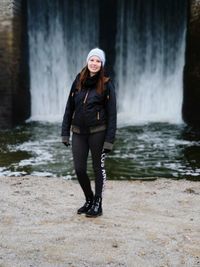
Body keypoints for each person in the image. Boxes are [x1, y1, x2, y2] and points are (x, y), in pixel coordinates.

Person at [61, 48, 117, 217]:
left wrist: (109, 140)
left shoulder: (107, 84)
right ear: (87, 61)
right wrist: (65, 131)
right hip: (78, 132)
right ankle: (89, 199)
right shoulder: (78, 80)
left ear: (102, 64)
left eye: (98, 61)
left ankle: (98, 204)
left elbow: (112, 114)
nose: (94, 63)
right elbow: (69, 108)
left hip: (98, 132)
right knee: (79, 168)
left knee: (98, 168)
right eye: (92, 60)